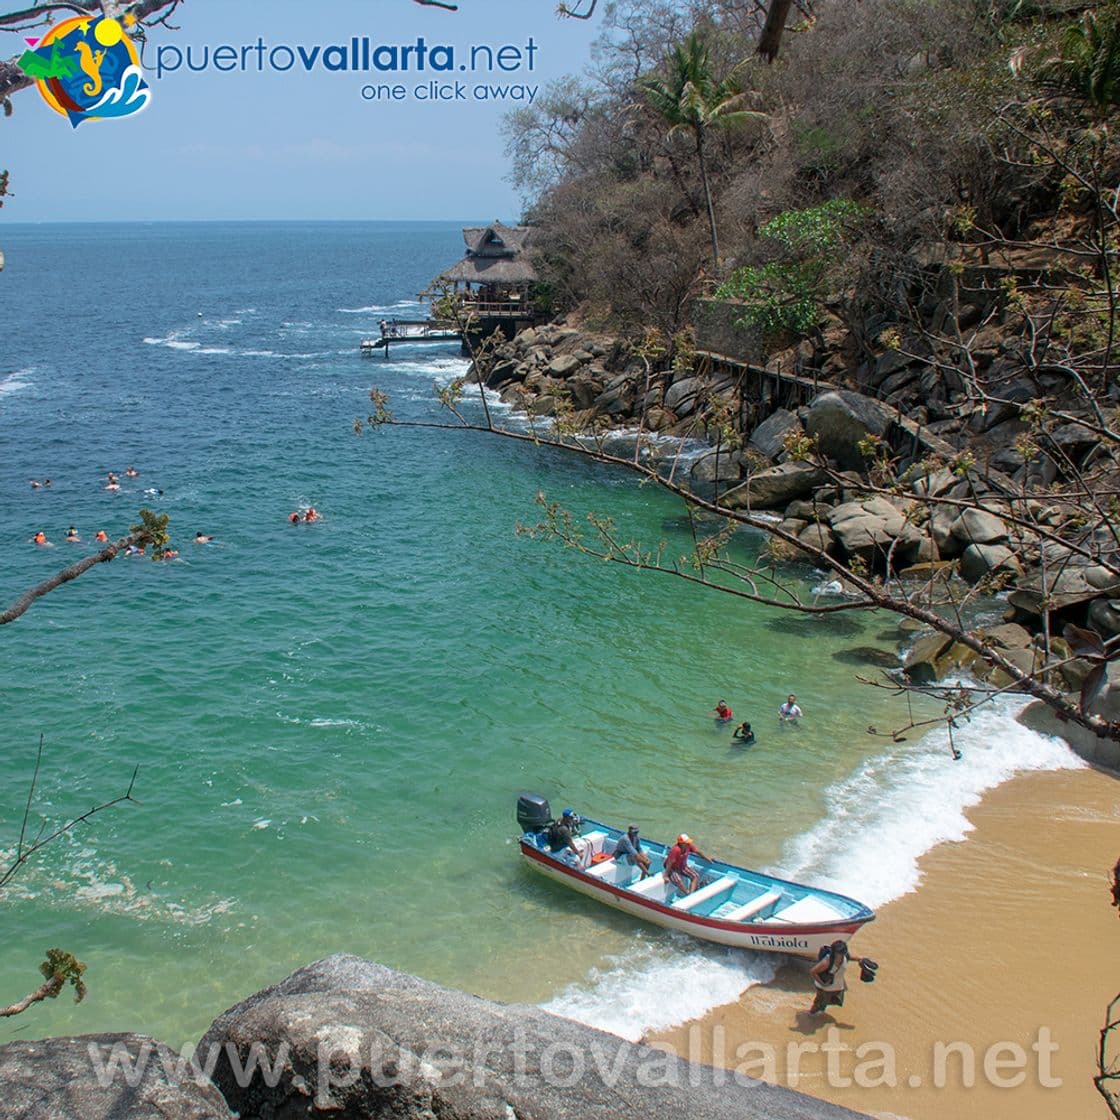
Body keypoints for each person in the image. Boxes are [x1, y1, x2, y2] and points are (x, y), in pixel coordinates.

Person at [809, 939, 860, 1015]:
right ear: (834, 952)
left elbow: (850, 957)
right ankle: (810, 1017)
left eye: (843, 953)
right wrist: (823, 984)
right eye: (839, 953)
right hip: (825, 988)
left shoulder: (845, 955)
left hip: (837, 986)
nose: (841, 955)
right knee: (817, 1005)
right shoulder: (827, 961)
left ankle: (819, 1014)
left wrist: (861, 959)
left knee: (825, 1004)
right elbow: (813, 972)